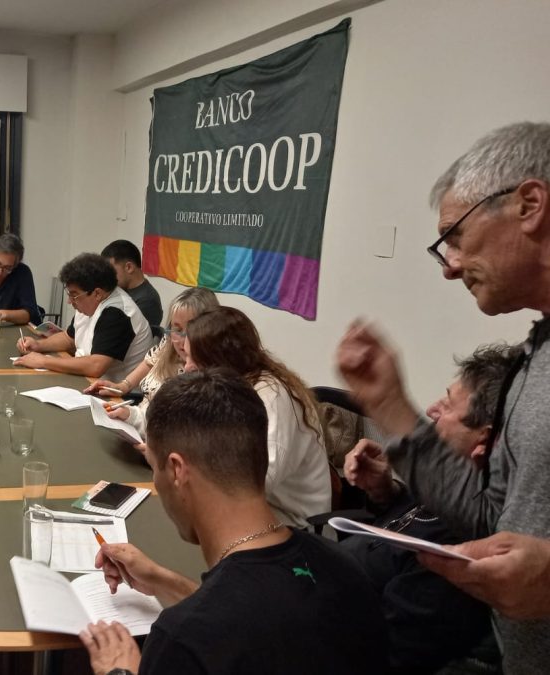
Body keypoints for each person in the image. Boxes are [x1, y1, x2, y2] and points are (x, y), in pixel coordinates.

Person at [335, 122, 550, 670]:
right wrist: (392, 409)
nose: (450, 266)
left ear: (529, 205)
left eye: (455, 235)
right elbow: (491, 522)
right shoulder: (532, 361)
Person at [78, 369, 387, 675]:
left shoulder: (181, 642)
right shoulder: (345, 568)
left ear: (176, 470)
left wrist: (119, 672)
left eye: (153, 467)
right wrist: (163, 580)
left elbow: (227, 626)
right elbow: (258, 626)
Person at [341, 345, 516, 673]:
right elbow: (407, 525)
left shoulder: (457, 548)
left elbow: (390, 651)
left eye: (447, 406)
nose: (432, 410)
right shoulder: (448, 492)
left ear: (484, 440)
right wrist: (385, 492)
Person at [176, 306, 331, 529]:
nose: (187, 367)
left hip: (291, 523)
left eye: (194, 359)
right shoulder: (231, 386)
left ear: (219, 360)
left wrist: (195, 469)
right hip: (254, 508)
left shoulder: (272, 398)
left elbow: (257, 481)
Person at [84, 287, 219, 435]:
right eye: (177, 329)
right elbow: (150, 362)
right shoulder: (169, 343)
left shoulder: (210, 378)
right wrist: (123, 386)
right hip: (141, 422)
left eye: (190, 331)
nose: (181, 340)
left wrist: (134, 419)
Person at [15, 253, 152, 381]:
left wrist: (44, 361)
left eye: (74, 295)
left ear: (97, 293)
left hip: (116, 390)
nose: (69, 301)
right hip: (89, 380)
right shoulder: (89, 303)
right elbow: (69, 338)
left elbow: (96, 366)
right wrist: (38, 345)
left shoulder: (117, 313)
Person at [101, 239, 163, 327]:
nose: (108, 277)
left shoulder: (148, 301)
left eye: (111, 271)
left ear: (129, 267)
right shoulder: (120, 289)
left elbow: (121, 331)